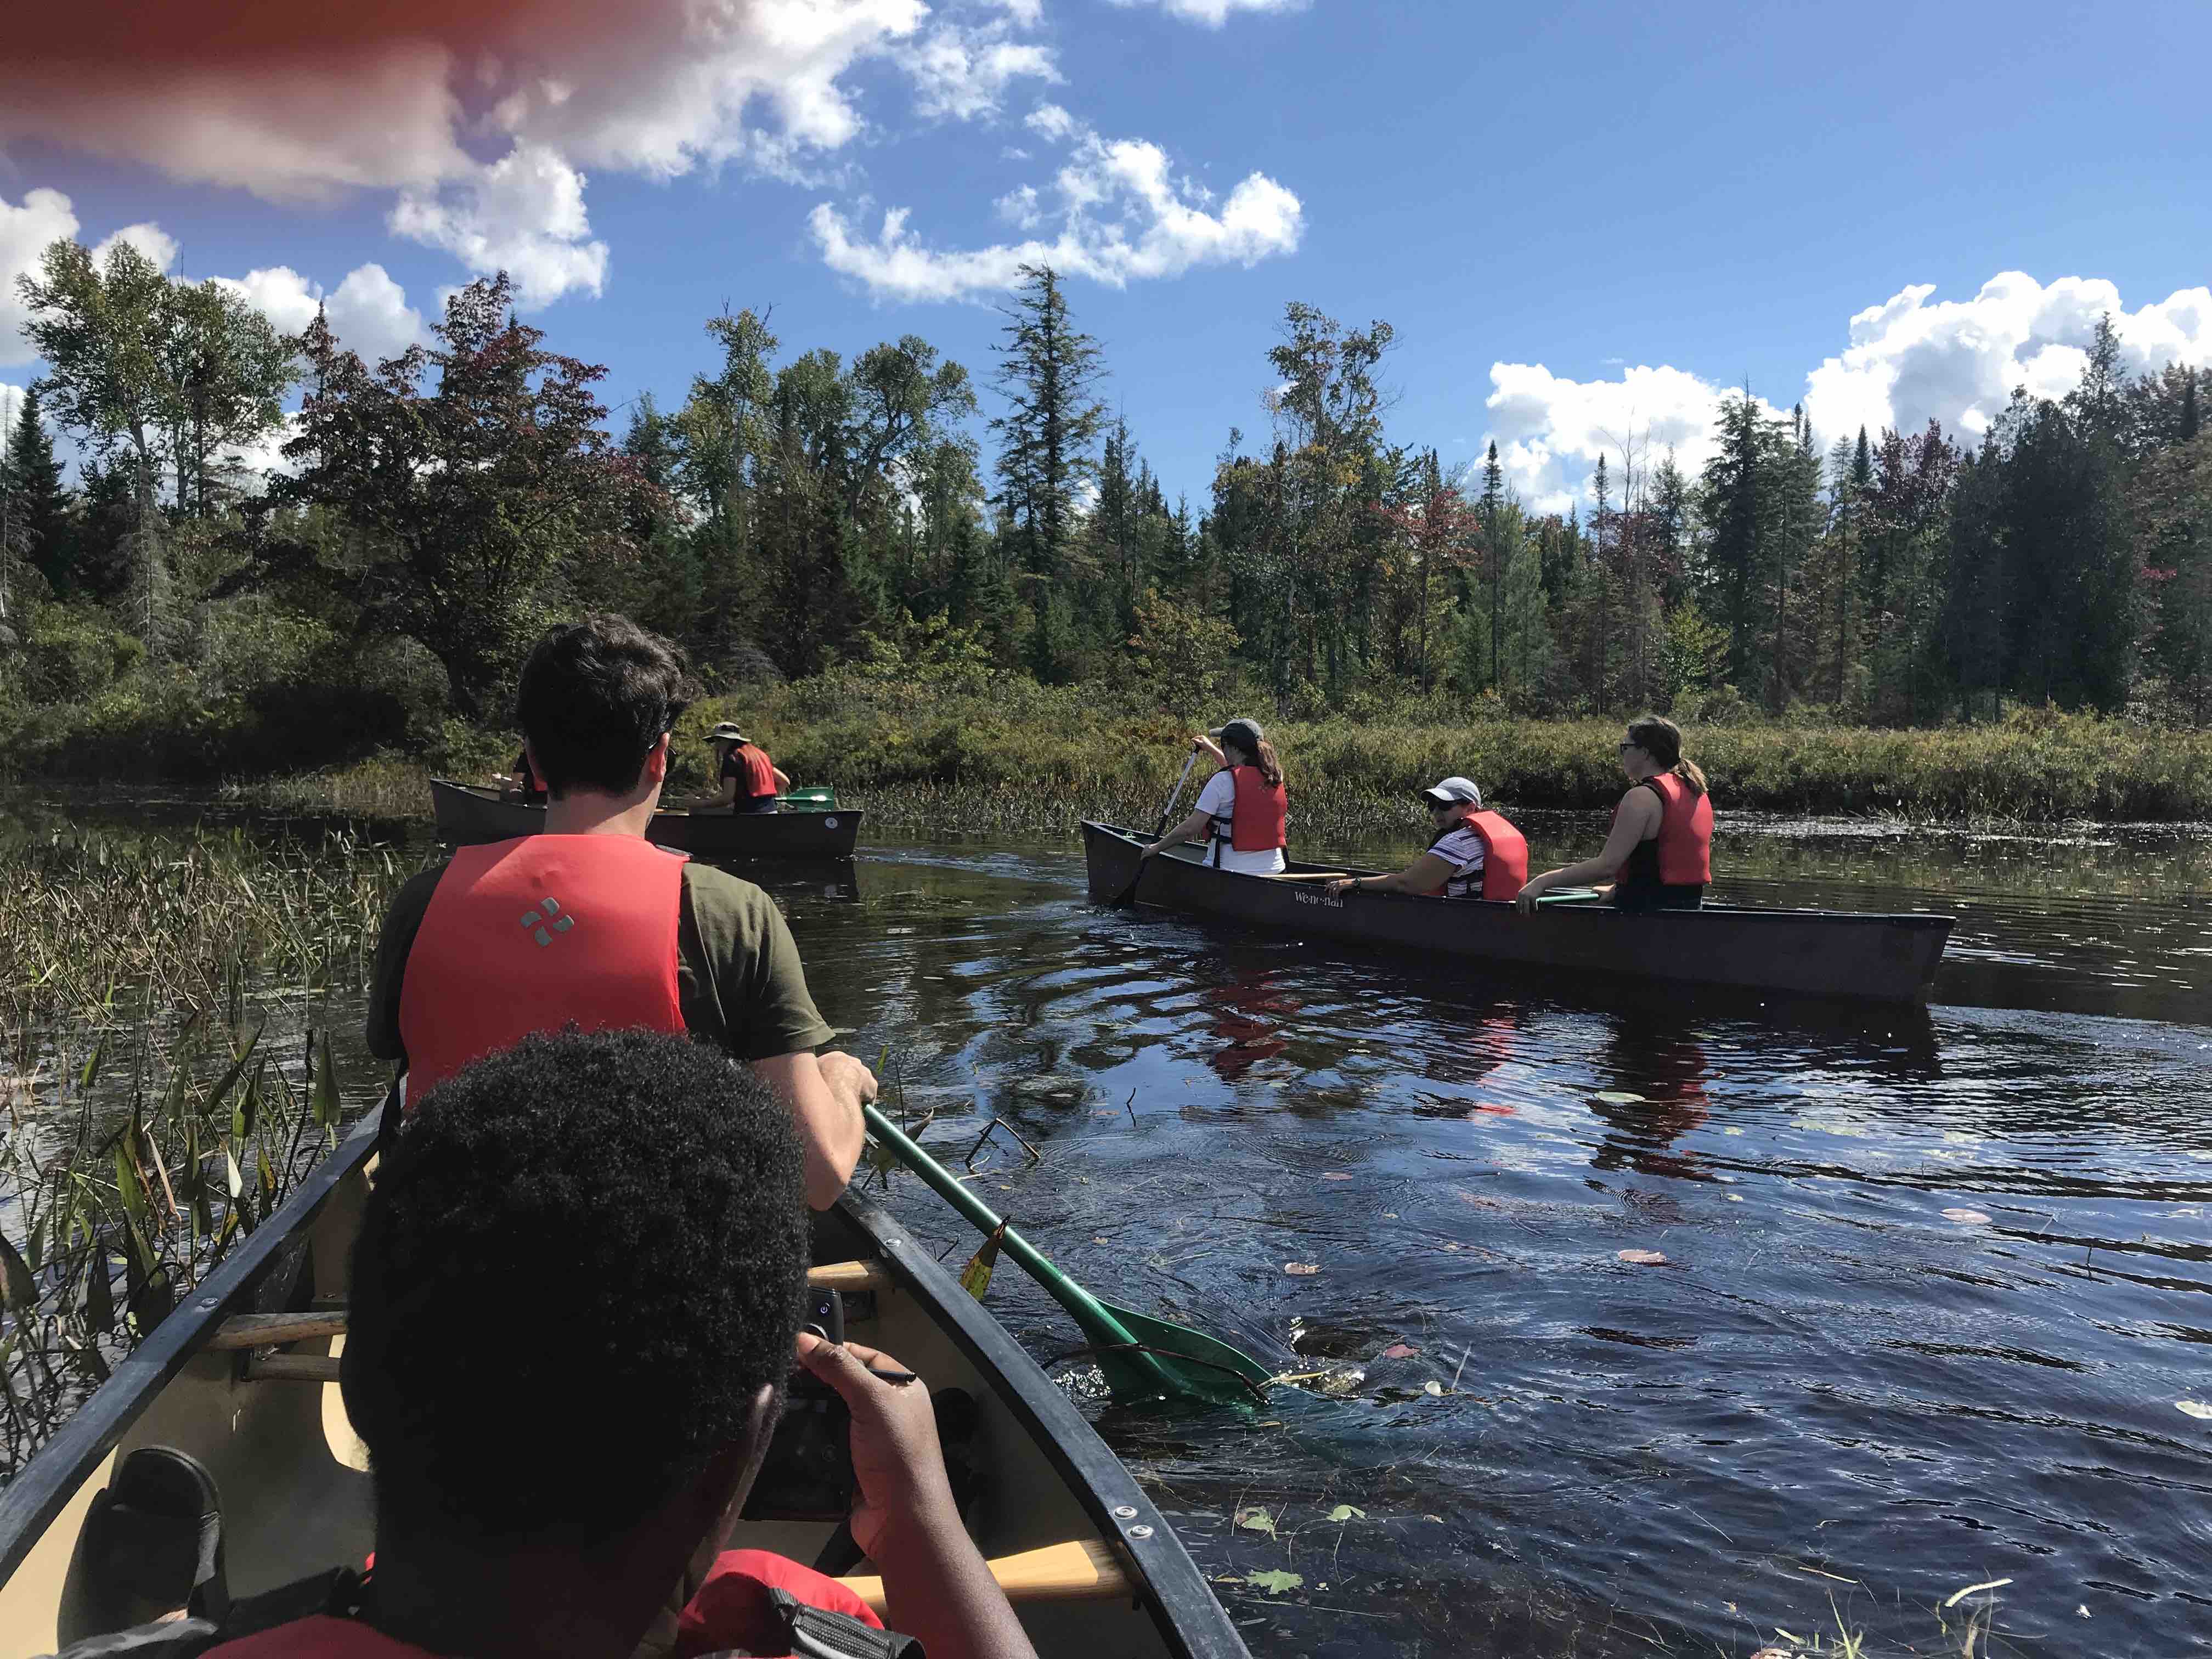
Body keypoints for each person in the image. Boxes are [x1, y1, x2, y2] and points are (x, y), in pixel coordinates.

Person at [185, 1029, 1039, 1659]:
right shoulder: (804, 1628)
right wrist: (921, 1524)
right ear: (735, 1458)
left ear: (362, 1389)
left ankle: (170, 1621)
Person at [365, 614, 868, 1209]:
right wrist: (842, 1076)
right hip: (654, 1281)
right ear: (659, 758)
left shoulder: (421, 903)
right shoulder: (734, 913)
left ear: (534, 759)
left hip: (449, 1274)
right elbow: (818, 1178)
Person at [1515, 714, 1712, 913]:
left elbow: (1607, 866)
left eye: (1625, 748)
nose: (1622, 754)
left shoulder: (1641, 797)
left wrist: (1542, 881)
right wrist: (1617, 890)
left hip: (1647, 918)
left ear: (1644, 752)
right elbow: (1659, 871)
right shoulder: (1695, 791)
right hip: (1689, 912)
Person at [1323, 776, 1527, 900]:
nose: (1437, 812)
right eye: (1432, 805)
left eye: (1445, 805)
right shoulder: (1490, 837)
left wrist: (1356, 883)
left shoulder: (1458, 843)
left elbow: (1406, 884)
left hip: (1467, 922)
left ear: (1470, 808)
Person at [1139, 719, 1287, 874]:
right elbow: (1240, 775)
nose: (1223, 750)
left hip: (1229, 872)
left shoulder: (1222, 781)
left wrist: (1155, 848)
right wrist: (1212, 750)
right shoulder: (1275, 777)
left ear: (1234, 748)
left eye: (1224, 746)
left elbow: (1190, 830)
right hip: (1276, 871)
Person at [709, 721, 790, 814]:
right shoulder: (759, 754)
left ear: (723, 740)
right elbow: (784, 782)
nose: (716, 746)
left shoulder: (732, 757)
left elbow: (727, 798)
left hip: (749, 816)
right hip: (772, 812)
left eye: (717, 741)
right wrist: (764, 799)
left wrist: (698, 803)